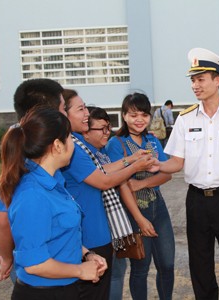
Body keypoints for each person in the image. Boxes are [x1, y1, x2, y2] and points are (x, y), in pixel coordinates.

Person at [156, 48, 219, 300]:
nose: (195, 85)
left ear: (217, 80)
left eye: (200, 79)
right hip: (197, 200)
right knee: (199, 263)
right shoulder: (184, 118)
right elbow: (176, 162)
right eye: (192, 80)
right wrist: (154, 165)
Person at [0, 107, 107, 299]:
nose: (74, 143)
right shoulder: (33, 195)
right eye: (71, 138)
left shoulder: (54, 180)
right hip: (43, 293)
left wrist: (87, 254)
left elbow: (60, 232)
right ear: (57, 145)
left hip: (65, 289)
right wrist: (80, 270)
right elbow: (35, 264)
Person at [61, 89, 154, 300]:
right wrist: (135, 164)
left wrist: (131, 160)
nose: (86, 113)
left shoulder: (79, 144)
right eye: (81, 108)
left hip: (99, 232)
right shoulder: (72, 146)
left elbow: (103, 169)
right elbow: (103, 180)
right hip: (88, 235)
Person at [0, 78, 66, 283]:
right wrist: (7, 257)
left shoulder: (30, 148)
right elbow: (2, 220)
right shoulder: (29, 160)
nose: (66, 113)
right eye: (64, 107)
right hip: (44, 271)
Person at [106, 93, 175, 300]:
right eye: (133, 114)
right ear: (124, 116)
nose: (139, 120)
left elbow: (167, 174)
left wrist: (141, 183)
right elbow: (120, 182)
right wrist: (139, 219)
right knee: (140, 268)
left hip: (158, 207)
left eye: (144, 115)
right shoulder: (116, 144)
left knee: (167, 264)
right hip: (133, 212)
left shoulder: (152, 141)